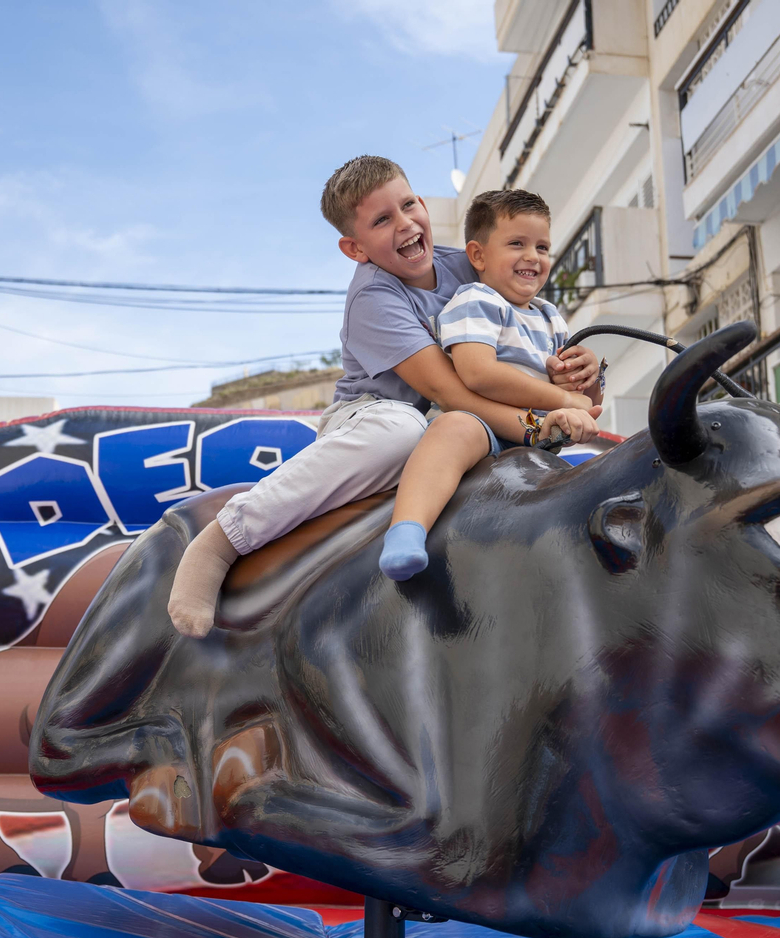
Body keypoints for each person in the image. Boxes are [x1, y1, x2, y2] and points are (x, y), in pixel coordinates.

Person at [166, 156, 596, 637]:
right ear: (355, 247)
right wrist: (538, 422)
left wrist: (579, 374)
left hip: (466, 427)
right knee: (403, 431)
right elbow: (449, 390)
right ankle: (222, 541)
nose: (407, 223)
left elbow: (528, 344)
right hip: (378, 418)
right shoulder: (374, 298)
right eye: (382, 219)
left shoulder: (470, 266)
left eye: (409, 204)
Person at [377, 189, 601, 579]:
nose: (533, 256)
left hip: (538, 437)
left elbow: (585, 400)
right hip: (485, 428)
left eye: (543, 247)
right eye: (517, 243)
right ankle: (406, 530)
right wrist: (562, 397)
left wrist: (587, 378)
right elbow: (478, 373)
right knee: (454, 427)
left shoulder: (552, 318)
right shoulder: (476, 300)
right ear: (478, 256)